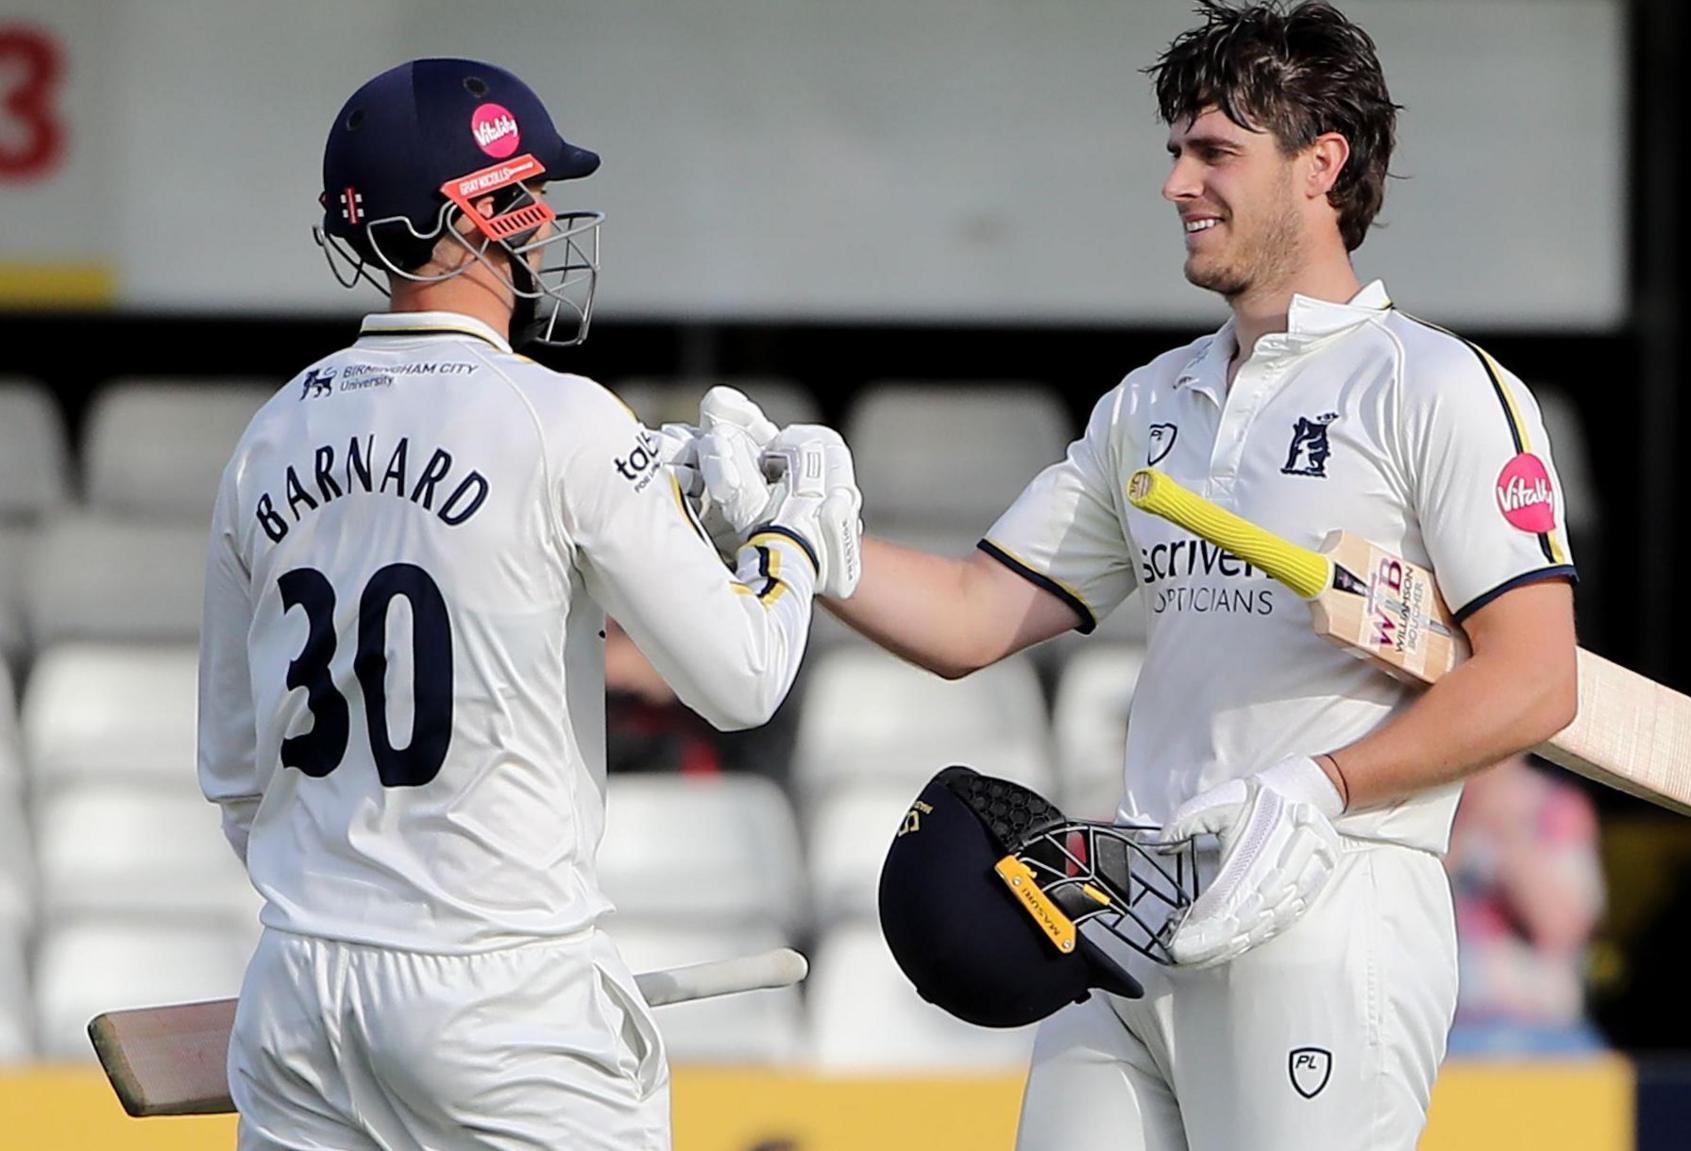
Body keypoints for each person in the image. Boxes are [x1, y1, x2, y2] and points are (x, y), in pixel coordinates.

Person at [705, 3, 1578, 1146]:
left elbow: (1534, 678)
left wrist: (1319, 785)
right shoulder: (1146, 403)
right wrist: (804, 538)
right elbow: (974, 614)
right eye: (1174, 149)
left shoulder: (1434, 387)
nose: (1176, 181)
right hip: (1133, 912)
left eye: (1212, 150)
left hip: (1327, 906)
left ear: (1323, 164)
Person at [196, 58, 859, 1151]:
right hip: (507, 999)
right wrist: (792, 535)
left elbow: (234, 777)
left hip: (298, 991)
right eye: (528, 194)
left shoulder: (270, 432)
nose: (547, 222)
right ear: (475, 212)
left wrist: (359, 938)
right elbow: (743, 678)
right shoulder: (561, 417)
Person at [1445, 755, 1607, 1056]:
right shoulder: (1428, 806)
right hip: (1447, 1029)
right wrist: (1464, 825)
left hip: (1542, 1031)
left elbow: (1560, 929)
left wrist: (1509, 832)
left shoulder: (1556, 807)